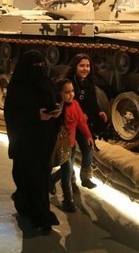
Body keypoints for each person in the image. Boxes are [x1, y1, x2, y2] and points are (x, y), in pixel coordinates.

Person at [3, 50, 62, 234]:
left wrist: (58, 111)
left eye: (42, 65)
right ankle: (40, 216)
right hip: (26, 143)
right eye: (35, 66)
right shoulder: (18, 87)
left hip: (44, 142)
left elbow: (57, 100)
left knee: (40, 180)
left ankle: (37, 213)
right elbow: (12, 115)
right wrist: (36, 115)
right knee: (29, 179)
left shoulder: (48, 83)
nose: (40, 69)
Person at [62, 53, 108, 189]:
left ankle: (86, 177)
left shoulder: (89, 83)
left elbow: (92, 102)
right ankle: (70, 180)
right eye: (82, 65)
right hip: (69, 123)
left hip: (83, 123)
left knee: (88, 147)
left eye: (88, 66)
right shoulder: (67, 83)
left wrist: (99, 112)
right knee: (70, 153)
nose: (85, 69)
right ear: (75, 67)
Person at [50, 79, 94, 213]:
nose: (71, 94)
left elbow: (81, 122)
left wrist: (88, 136)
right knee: (67, 171)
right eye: (67, 92)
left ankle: (51, 180)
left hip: (71, 144)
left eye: (72, 91)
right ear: (59, 93)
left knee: (67, 170)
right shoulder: (57, 107)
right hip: (61, 145)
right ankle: (67, 200)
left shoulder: (75, 104)